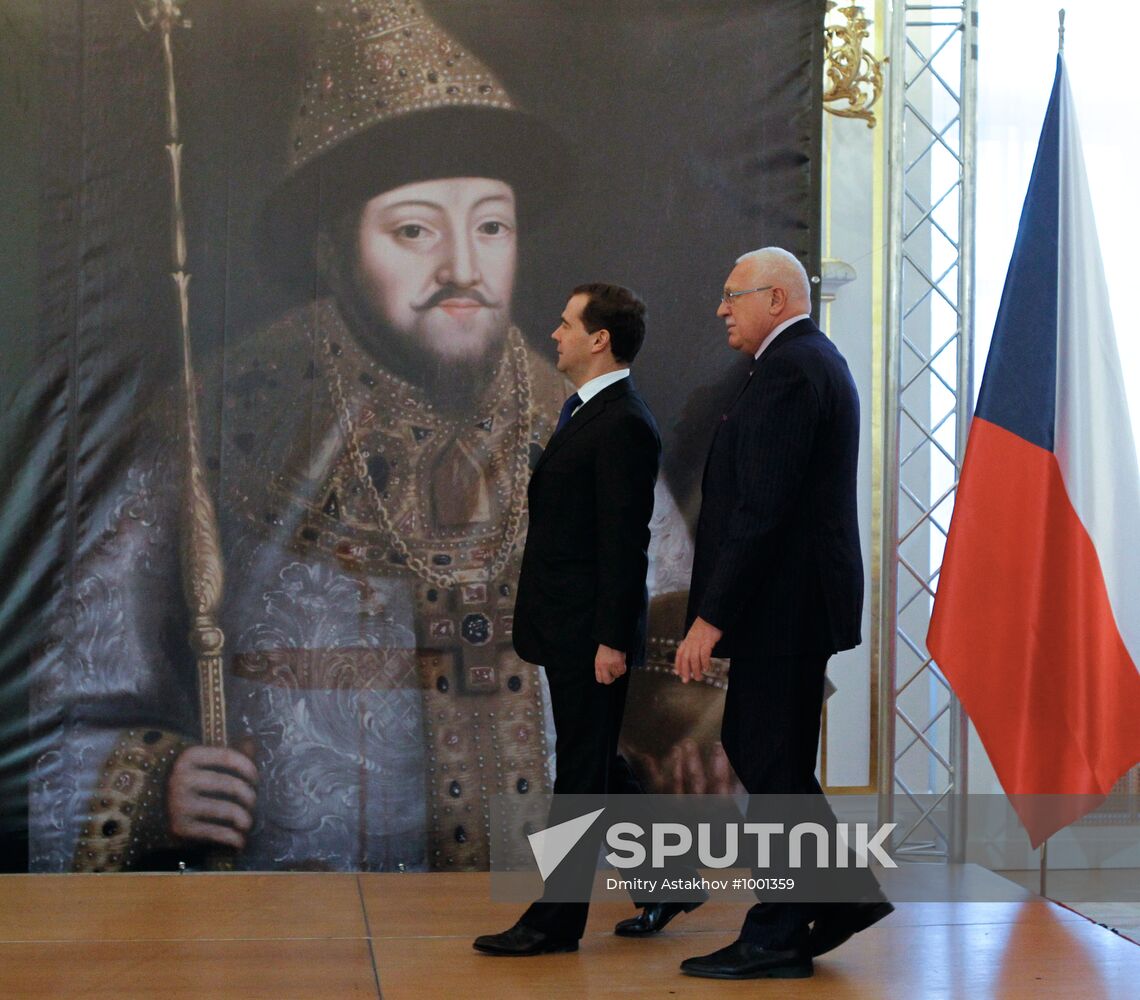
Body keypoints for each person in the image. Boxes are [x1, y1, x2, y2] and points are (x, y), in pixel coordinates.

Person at [28, 3, 696, 874]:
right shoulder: (216, 420)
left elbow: (675, 634)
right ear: (335, 247)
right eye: (415, 229)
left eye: (491, 225)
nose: (463, 265)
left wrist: (686, 722)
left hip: (548, 893)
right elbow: (63, 710)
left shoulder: (573, 413)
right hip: (302, 933)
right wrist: (155, 786)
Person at [672, 248, 892, 979]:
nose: (721, 308)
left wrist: (710, 619)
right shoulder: (798, 362)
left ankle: (776, 933)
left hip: (784, 605)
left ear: (776, 296)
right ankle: (836, 900)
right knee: (777, 758)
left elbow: (761, 510)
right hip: (791, 604)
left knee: (770, 757)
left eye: (733, 295)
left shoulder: (793, 369)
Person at [473, 283, 662, 956]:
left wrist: (613, 637)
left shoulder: (624, 424)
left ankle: (554, 922)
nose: (554, 333)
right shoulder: (589, 413)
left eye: (566, 322)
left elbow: (625, 541)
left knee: (581, 773)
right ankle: (668, 877)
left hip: (591, 634)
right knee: (595, 760)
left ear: (598, 339)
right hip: (569, 626)